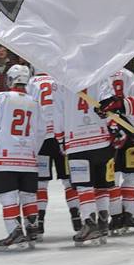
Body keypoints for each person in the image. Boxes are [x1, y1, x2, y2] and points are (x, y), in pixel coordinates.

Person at [56, 77, 119, 244]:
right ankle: (103, 224)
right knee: (101, 184)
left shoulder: (62, 80)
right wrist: (113, 127)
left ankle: (90, 224)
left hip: (77, 141)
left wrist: (60, 137)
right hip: (101, 139)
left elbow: (58, 112)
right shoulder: (100, 76)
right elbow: (111, 103)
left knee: (84, 187)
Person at [0, 65, 42, 249]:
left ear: (10, 79)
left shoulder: (0, 98)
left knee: (8, 196)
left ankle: (15, 231)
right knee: (29, 195)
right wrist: (32, 150)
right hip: (28, 157)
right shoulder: (34, 101)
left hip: (6, 156)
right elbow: (41, 131)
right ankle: (32, 228)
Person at [26, 69, 81, 235]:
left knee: (41, 183)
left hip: (42, 138)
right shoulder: (60, 80)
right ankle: (77, 219)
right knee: (68, 180)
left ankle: (39, 222)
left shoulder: (31, 83)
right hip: (61, 136)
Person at [106, 65, 134, 235]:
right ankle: (128, 213)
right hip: (128, 129)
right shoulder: (128, 75)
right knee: (132, 174)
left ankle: (115, 216)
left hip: (109, 130)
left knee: (112, 176)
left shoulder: (99, 74)